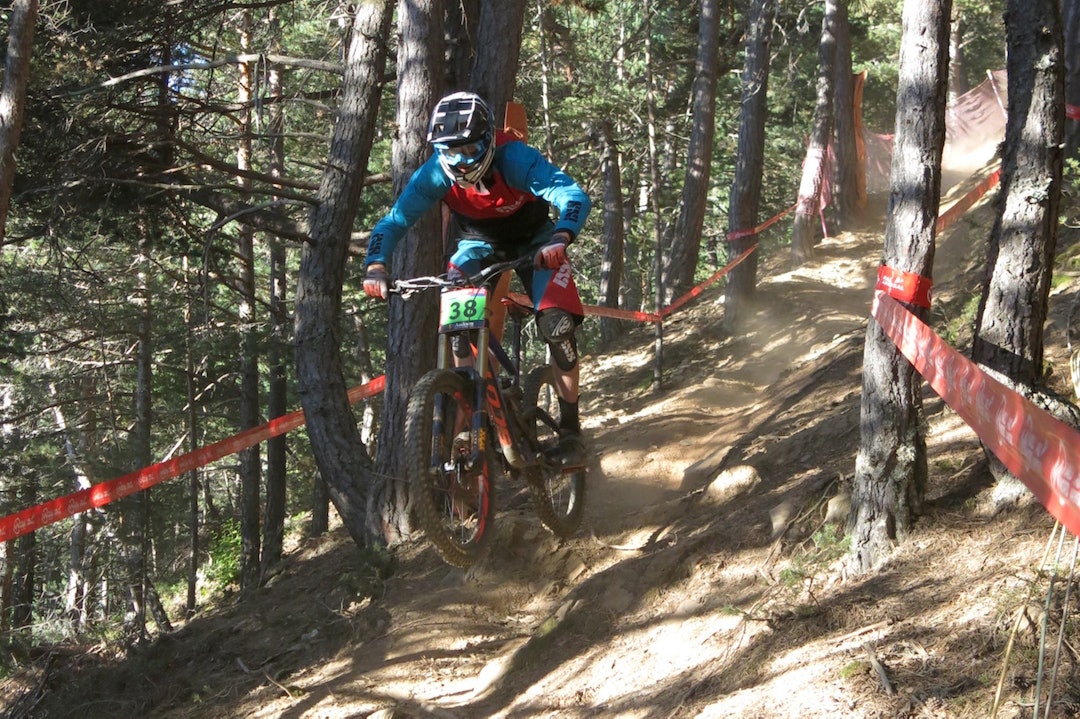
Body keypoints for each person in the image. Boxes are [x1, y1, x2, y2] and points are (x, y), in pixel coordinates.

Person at [363, 91, 592, 465]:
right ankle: (476, 413)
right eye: (448, 149)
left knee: (557, 324)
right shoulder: (435, 174)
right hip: (477, 245)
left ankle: (570, 431)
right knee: (458, 329)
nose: (459, 159)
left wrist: (561, 236)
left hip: (536, 241)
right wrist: (376, 265)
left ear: (486, 140)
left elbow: (572, 194)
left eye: (468, 148)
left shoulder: (514, 157)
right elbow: (394, 221)